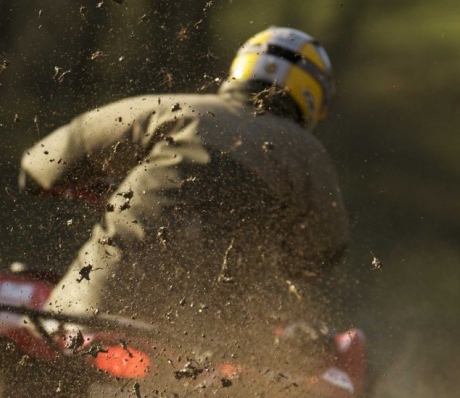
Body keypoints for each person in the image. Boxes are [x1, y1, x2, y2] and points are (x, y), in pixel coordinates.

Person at [18, 26, 349, 348]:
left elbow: (43, 162)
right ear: (312, 96)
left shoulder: (178, 110)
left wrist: (41, 182)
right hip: (209, 342)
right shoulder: (307, 156)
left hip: (93, 308)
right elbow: (318, 256)